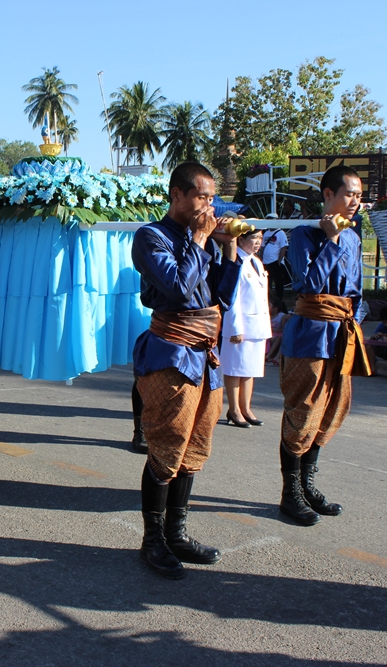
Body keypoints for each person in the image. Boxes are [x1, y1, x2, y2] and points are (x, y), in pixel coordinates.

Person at [130, 162, 238, 579]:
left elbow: (221, 299)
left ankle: (176, 533)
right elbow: (177, 288)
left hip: (206, 353)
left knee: (195, 443)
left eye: (212, 198)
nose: (209, 205)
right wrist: (199, 239)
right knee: (167, 443)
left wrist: (229, 250)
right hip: (171, 353)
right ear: (177, 194)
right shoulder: (151, 236)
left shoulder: (203, 239)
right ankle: (152, 540)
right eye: (202, 196)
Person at [278, 165, 370, 527]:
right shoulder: (304, 233)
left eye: (359, 195)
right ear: (328, 194)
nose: (355, 201)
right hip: (310, 333)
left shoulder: (354, 238)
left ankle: (307, 485)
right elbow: (308, 285)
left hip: (341, 335)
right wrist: (330, 241)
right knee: (302, 411)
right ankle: (290, 494)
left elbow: (356, 290)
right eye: (349, 194)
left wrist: (354, 322)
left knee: (332, 409)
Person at [221, 228, 270, 428]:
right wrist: (235, 327)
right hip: (240, 325)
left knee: (250, 369)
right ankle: (234, 409)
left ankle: (246, 408)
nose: (258, 242)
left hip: (257, 324)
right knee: (235, 369)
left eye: (261, 238)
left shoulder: (256, 262)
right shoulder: (235, 261)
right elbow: (232, 298)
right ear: (241, 240)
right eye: (254, 238)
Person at [261, 225, 288, 303]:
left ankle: (279, 300)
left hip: (275, 261)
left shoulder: (281, 233)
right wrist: (261, 259)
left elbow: (283, 247)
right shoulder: (266, 233)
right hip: (266, 262)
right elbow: (262, 247)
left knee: (278, 282)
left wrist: (279, 261)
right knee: (267, 281)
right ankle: (268, 299)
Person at [266, 297, 286, 365]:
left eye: (269, 305)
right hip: (270, 335)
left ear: (275, 308)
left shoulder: (281, 316)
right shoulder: (266, 316)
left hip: (277, 334)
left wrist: (273, 330)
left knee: (279, 337)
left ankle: (268, 355)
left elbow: (284, 329)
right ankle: (266, 354)